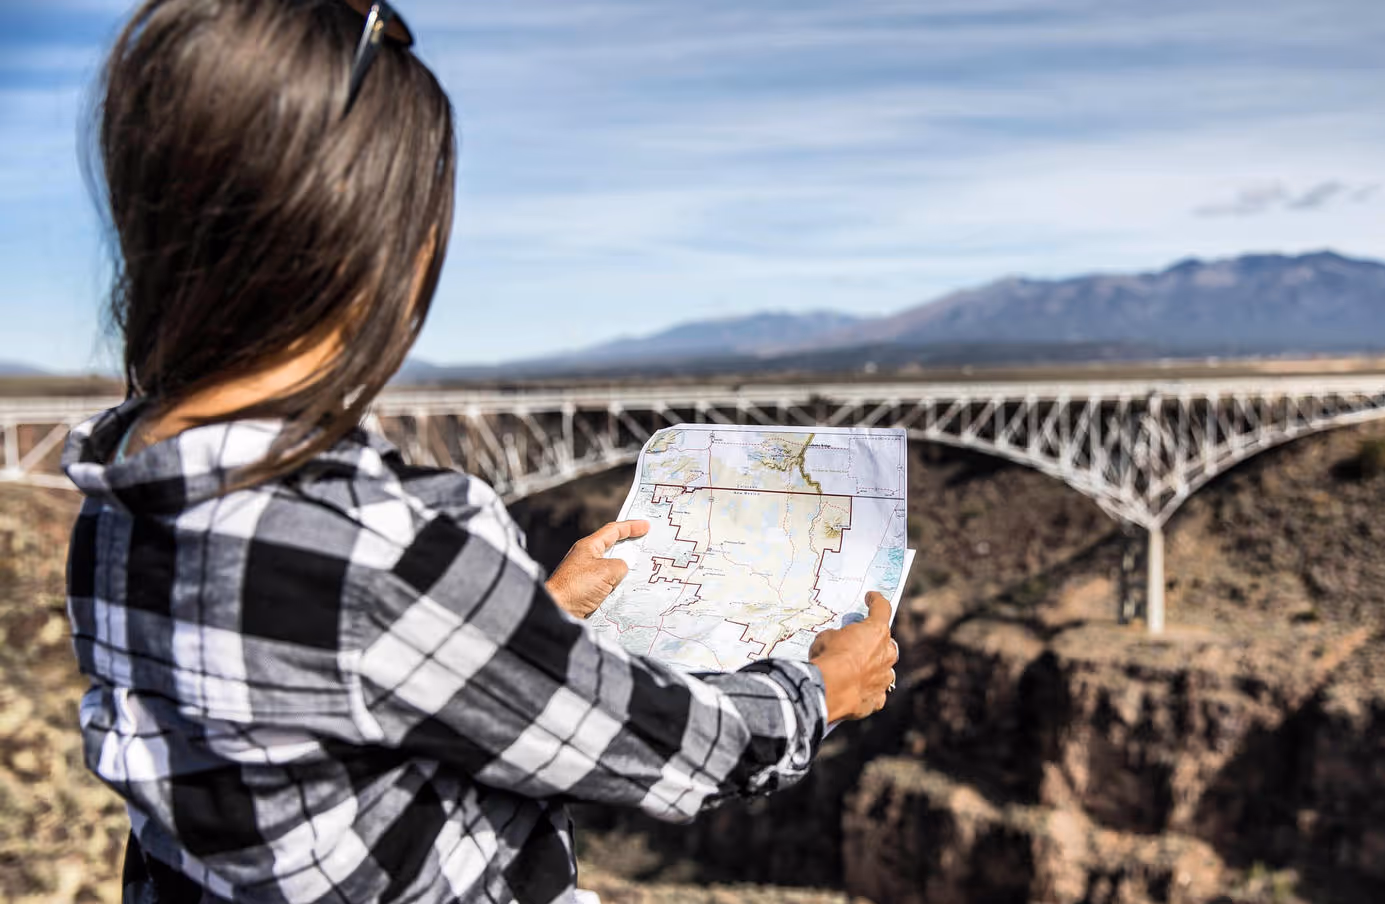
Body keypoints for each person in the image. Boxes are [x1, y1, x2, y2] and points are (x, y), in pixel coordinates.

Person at [60, 2, 900, 902]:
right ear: (378, 244)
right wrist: (816, 690)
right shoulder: (382, 544)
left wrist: (529, 615)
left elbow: (313, 711)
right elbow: (650, 740)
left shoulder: (120, 502)